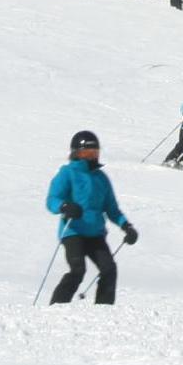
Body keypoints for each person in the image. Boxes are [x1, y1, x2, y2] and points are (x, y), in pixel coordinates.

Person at [45, 129, 135, 305]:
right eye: (86, 153)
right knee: (78, 270)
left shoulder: (101, 178)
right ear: (76, 153)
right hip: (73, 232)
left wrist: (126, 226)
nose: (91, 157)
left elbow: (111, 208)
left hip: (95, 234)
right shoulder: (67, 173)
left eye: (94, 153)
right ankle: (56, 308)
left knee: (109, 269)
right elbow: (52, 199)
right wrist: (64, 206)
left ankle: (103, 310)